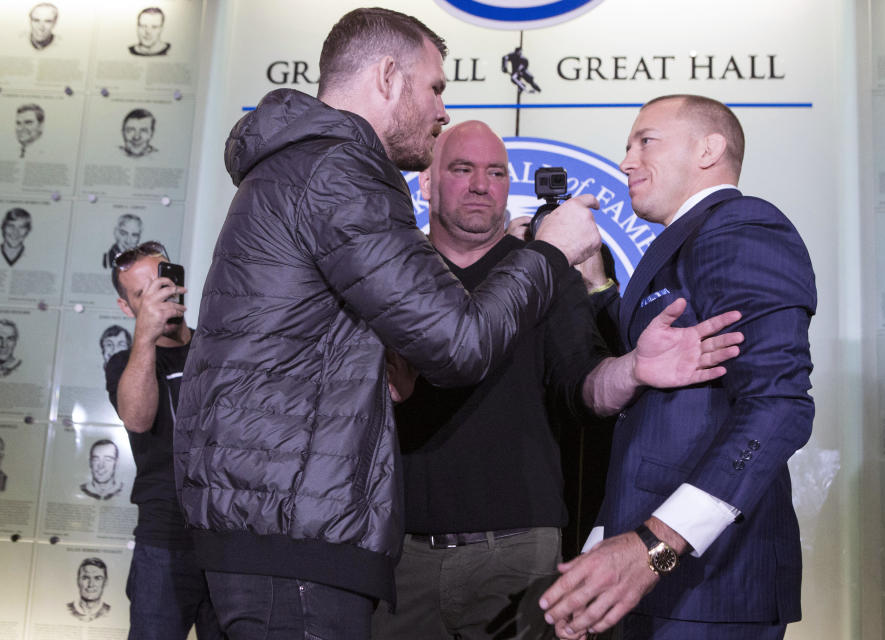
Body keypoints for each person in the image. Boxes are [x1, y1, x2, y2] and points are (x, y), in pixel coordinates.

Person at [174, 7, 605, 639]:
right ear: (385, 76)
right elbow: (459, 342)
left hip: (274, 529)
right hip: (296, 542)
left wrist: (369, 373)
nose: (442, 110)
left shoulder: (301, 167)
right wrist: (548, 253)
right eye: (435, 87)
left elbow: (301, 341)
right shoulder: (339, 171)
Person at [370, 121, 741, 640]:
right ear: (428, 184)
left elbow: (584, 386)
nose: (481, 184)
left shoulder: (547, 275)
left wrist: (632, 368)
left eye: (496, 172)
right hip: (394, 554)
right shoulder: (387, 272)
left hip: (518, 553)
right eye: (462, 169)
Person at [539, 94, 817, 640]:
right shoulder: (686, 242)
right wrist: (596, 284)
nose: (626, 162)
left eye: (646, 141)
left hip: (709, 588)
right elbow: (652, 401)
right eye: (626, 146)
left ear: (709, 149)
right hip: (658, 583)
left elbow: (780, 406)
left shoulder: (741, 226)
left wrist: (655, 547)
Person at [105, 241, 223, 640]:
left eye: (161, 285)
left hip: (231, 540)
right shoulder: (126, 364)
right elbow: (137, 419)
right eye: (142, 295)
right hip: (165, 541)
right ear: (127, 309)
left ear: (178, 283)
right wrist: (145, 338)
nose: (158, 299)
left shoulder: (220, 347)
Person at [67, 557, 111, 622]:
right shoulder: (66, 610)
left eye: (97, 578)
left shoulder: (111, 612)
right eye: (85, 578)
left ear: (105, 582)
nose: (91, 584)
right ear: (78, 581)